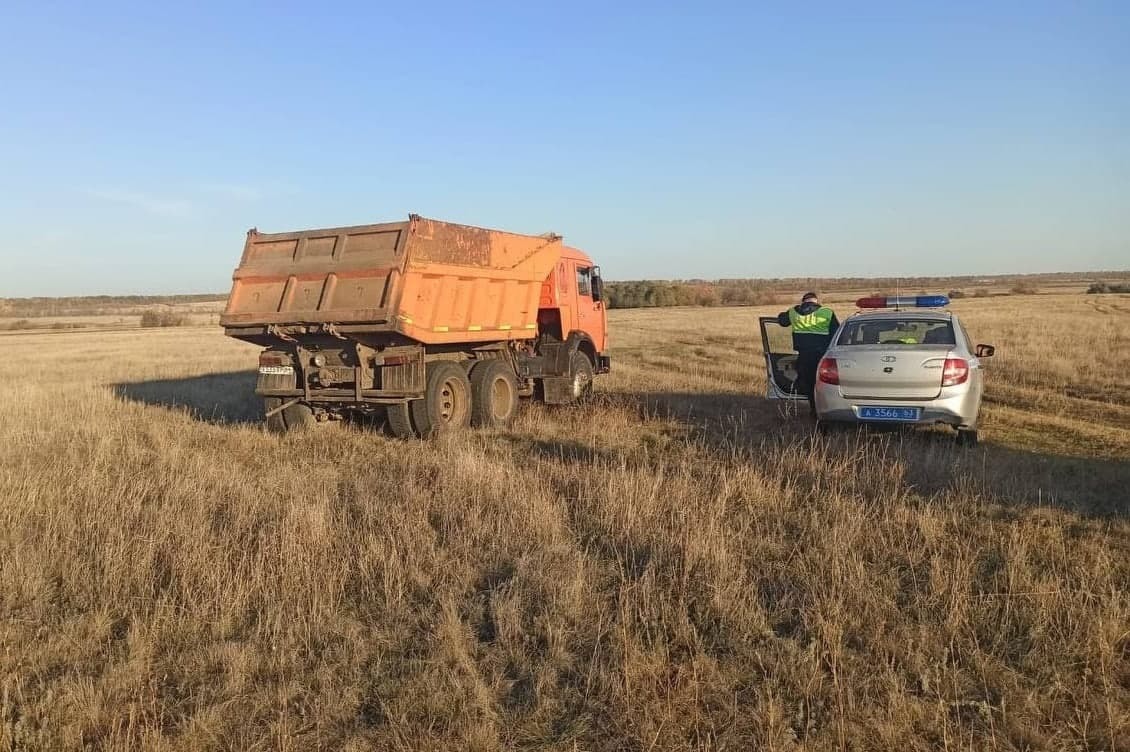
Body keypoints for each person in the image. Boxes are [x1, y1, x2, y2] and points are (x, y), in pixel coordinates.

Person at [777, 292, 839, 414]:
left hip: (804, 355)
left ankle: (813, 409)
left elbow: (782, 321)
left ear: (803, 301)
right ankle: (825, 408)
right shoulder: (827, 312)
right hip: (822, 355)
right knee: (823, 383)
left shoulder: (793, 312)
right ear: (816, 301)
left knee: (809, 383)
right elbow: (836, 332)